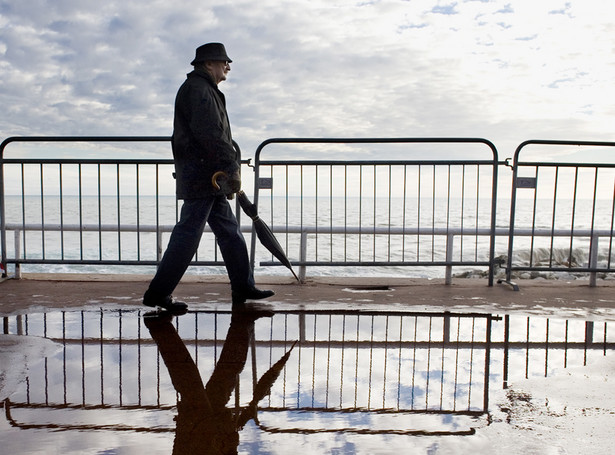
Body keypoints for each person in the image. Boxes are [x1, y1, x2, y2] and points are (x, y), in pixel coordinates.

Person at [143, 42, 274, 313]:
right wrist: (232, 168)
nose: (228, 66)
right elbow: (212, 134)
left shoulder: (202, 89)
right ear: (208, 64)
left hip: (207, 177)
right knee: (187, 236)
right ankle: (158, 293)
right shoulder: (200, 90)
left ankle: (243, 285)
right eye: (223, 61)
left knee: (230, 232)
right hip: (205, 177)